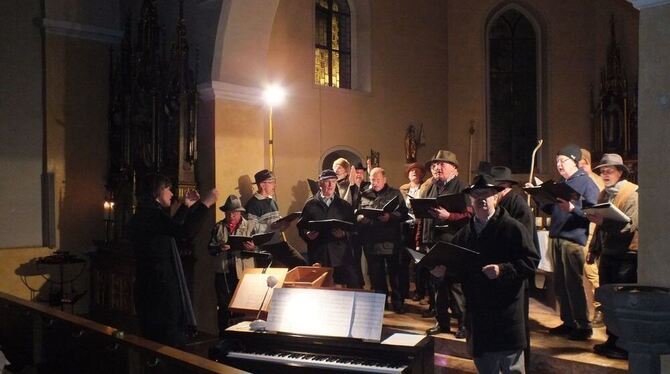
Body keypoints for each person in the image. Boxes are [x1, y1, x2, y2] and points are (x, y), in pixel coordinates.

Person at [432, 174, 538, 374]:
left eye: (487, 194)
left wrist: (503, 270)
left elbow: (531, 262)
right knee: (485, 367)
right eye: (476, 194)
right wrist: (443, 272)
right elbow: (457, 265)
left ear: (496, 197)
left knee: (512, 368)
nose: (481, 199)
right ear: (471, 200)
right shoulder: (465, 234)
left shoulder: (512, 228)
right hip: (479, 314)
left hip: (505, 311)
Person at [128, 173, 218, 348]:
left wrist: (186, 206)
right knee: (168, 342)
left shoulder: (142, 214)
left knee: (152, 341)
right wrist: (205, 205)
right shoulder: (152, 215)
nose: (171, 194)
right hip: (160, 290)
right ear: (159, 190)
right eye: (168, 189)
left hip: (146, 287)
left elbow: (170, 229)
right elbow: (183, 233)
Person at [528, 144, 599, 341]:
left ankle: (583, 325)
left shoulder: (587, 183)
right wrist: (537, 195)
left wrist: (573, 208)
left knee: (573, 283)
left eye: (563, 161)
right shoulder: (561, 183)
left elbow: (593, 213)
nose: (559, 164)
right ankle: (568, 322)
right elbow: (553, 210)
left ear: (575, 161)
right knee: (560, 283)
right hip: (556, 237)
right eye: (557, 161)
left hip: (572, 239)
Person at [586, 153, 638, 360]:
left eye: (610, 171)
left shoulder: (632, 193)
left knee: (623, 300)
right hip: (608, 252)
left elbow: (629, 226)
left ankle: (624, 344)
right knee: (608, 299)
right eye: (602, 171)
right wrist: (593, 248)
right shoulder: (603, 194)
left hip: (627, 255)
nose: (605, 174)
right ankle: (612, 339)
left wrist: (602, 222)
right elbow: (598, 228)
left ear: (620, 172)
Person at [489, 165, 540, 368]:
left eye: (493, 189)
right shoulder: (502, 203)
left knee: (518, 326)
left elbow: (524, 243)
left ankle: (522, 366)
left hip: (516, 273)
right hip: (502, 273)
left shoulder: (517, 205)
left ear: (504, 187)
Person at [421, 150, 471, 338]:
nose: (436, 168)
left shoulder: (461, 187)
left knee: (456, 286)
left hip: (454, 244)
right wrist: (421, 242)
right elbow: (422, 218)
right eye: (434, 165)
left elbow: (470, 216)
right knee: (438, 285)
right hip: (434, 242)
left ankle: (463, 324)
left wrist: (449, 216)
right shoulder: (430, 188)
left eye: (442, 164)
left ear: (455, 169)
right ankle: (441, 323)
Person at [357, 167, 409, 312]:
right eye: (373, 179)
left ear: (385, 179)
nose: (375, 182)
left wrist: (390, 217)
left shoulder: (395, 193)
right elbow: (358, 212)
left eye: (378, 179)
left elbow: (404, 213)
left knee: (395, 275)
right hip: (371, 241)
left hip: (390, 241)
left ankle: (398, 303)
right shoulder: (364, 194)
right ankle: (381, 303)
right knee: (376, 275)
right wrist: (361, 218)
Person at [297, 169, 360, 288]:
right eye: (327, 182)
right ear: (319, 183)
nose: (331, 185)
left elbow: (354, 229)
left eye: (333, 181)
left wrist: (343, 234)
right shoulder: (310, 205)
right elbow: (301, 227)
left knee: (339, 287)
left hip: (340, 254)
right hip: (318, 252)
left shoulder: (344, 206)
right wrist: (307, 234)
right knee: (321, 287)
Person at [208, 195, 257, 337]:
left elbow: (260, 250)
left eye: (234, 213)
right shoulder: (218, 227)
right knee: (223, 307)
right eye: (228, 212)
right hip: (223, 272)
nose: (231, 215)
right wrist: (219, 247)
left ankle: (240, 338)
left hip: (242, 273)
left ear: (240, 212)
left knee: (242, 307)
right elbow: (210, 248)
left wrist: (252, 248)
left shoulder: (250, 226)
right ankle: (223, 337)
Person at [245, 169, 307, 268]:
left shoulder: (272, 201)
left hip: (279, 243)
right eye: (272, 182)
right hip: (264, 246)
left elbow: (277, 223)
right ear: (262, 185)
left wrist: (284, 225)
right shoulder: (253, 204)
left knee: (301, 263)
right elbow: (251, 229)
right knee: (268, 276)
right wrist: (271, 226)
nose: (275, 185)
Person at [578, 149, 606, 328]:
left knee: (591, 271)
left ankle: (601, 308)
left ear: (585, 162)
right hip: (584, 231)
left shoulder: (595, 181)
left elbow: (598, 208)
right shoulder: (582, 180)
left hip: (592, 231)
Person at [399, 163, 429, 304]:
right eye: (412, 171)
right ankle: (404, 290)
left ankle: (420, 291)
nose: (414, 173)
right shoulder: (403, 189)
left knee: (419, 261)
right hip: (406, 227)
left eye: (418, 171)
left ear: (423, 174)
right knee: (403, 261)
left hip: (420, 227)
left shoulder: (426, 187)